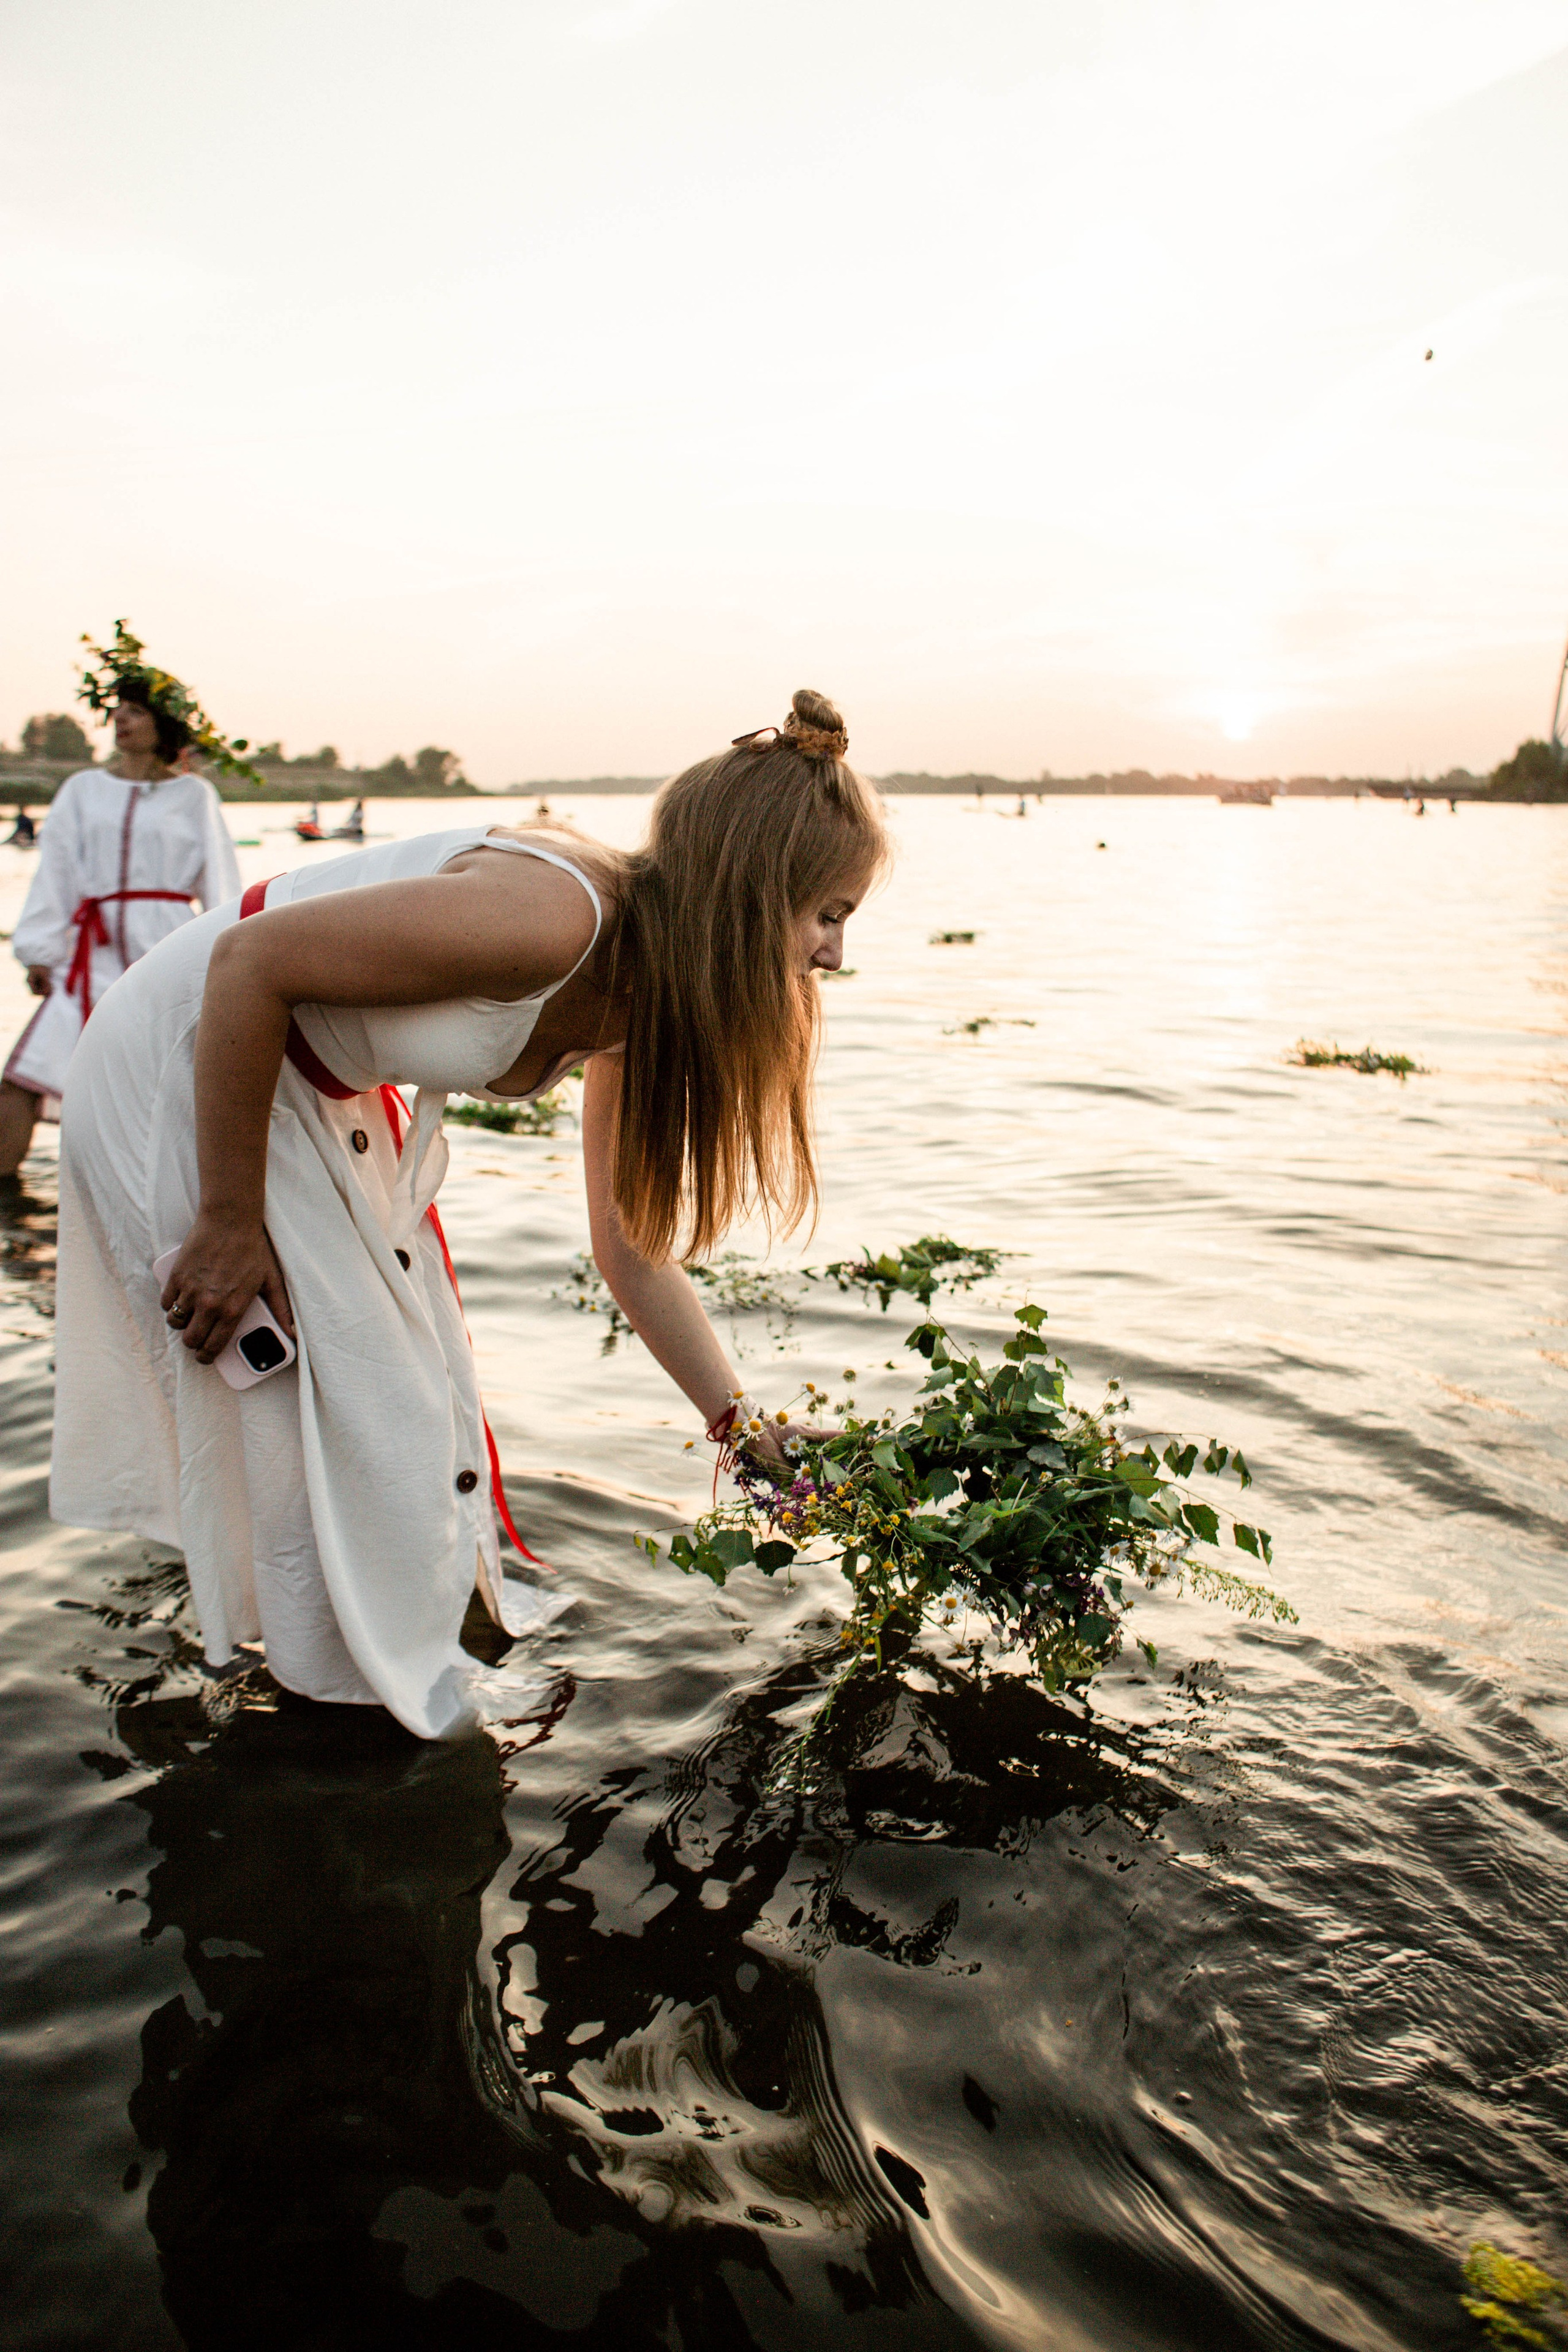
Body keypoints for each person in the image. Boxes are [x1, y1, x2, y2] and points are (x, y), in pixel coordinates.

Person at [51, 690, 885, 1739]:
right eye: (830, 916)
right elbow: (248, 965)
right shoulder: (558, 916)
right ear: (749, 894)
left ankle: (393, 1666)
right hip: (189, 1069)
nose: (835, 959)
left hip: (316, 1099)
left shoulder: (646, 988)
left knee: (414, 1406)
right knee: (347, 1412)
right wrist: (225, 1221)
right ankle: (338, 1718)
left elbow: (629, 1249)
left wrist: (738, 1428)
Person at [1, 654, 241, 1180]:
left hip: (166, 949)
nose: (120, 720)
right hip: (93, 953)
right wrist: (41, 950)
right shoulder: (83, 790)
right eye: (117, 710)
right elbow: (57, 871)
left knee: (164, 1080)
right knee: (24, 1077)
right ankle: (8, 1205)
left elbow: (220, 885)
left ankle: (166, 1190)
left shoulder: (193, 795)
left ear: (163, 723)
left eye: (135, 711)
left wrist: (224, 959)